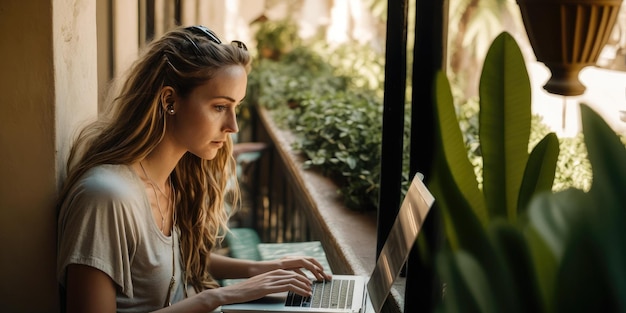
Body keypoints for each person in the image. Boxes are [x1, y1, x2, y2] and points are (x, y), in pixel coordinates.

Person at [56, 25, 331, 313]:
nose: (233, 126)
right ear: (169, 101)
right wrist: (221, 296)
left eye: (235, 106)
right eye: (219, 107)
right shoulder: (106, 198)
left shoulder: (172, 179)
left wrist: (263, 269)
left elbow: (172, 261)